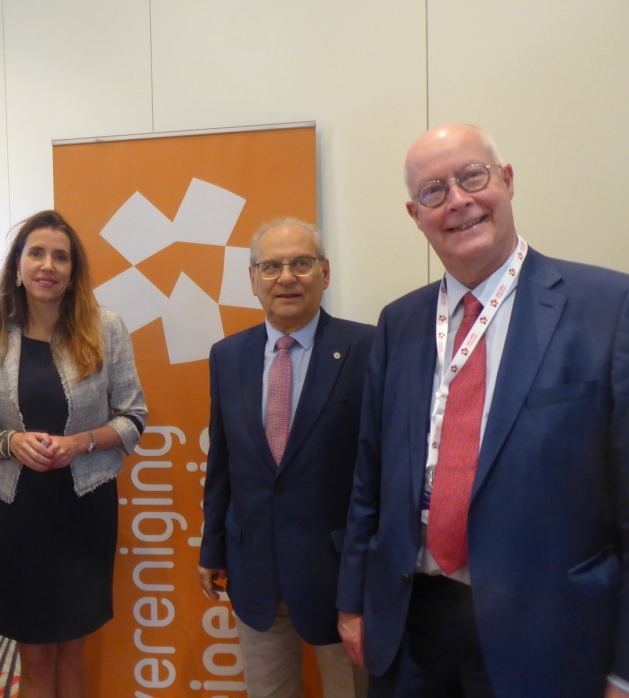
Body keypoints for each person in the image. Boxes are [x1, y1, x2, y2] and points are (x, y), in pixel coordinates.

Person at [336, 123, 629, 698]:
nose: (459, 201)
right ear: (414, 214)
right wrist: (353, 602)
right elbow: (369, 481)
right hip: (410, 624)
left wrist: (622, 667)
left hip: (548, 634)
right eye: (433, 190)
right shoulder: (400, 322)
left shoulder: (608, 308)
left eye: (473, 175)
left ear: (508, 181)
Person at [0, 209, 147, 698]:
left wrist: (81, 442)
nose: (48, 265)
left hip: (83, 508)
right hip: (17, 513)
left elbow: (134, 417)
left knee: (72, 647)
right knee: (33, 652)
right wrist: (10, 443)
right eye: (37, 253)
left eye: (61, 256)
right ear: (18, 267)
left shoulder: (105, 328)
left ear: (73, 270)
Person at [199, 217, 374, 698]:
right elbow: (223, 464)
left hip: (343, 581)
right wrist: (212, 548)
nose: (287, 277)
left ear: (326, 272)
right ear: (253, 279)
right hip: (255, 571)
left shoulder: (368, 348)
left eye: (301, 263)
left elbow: (379, 472)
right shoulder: (227, 355)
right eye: (271, 266)